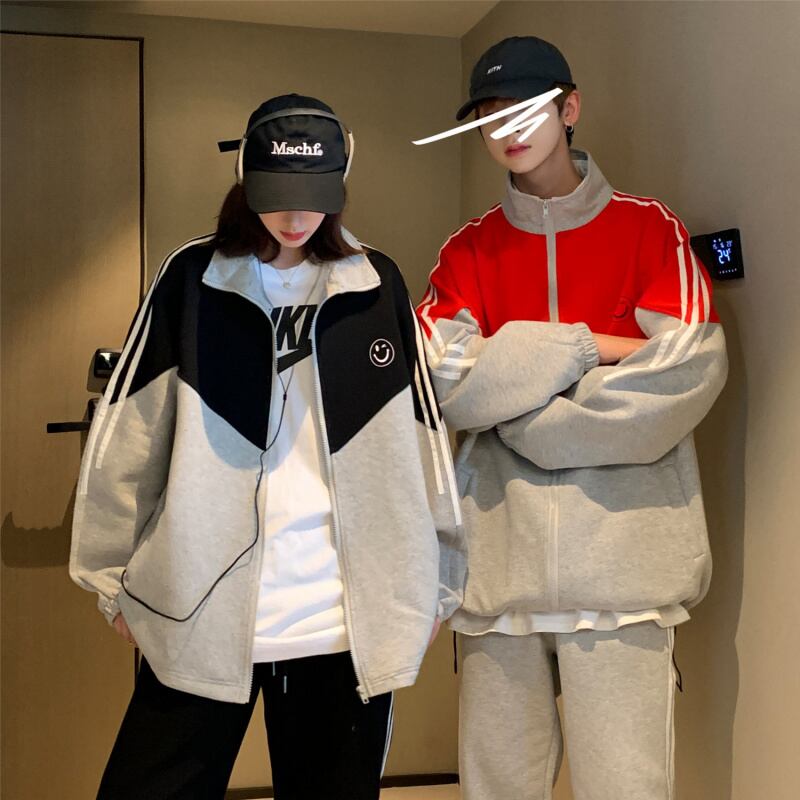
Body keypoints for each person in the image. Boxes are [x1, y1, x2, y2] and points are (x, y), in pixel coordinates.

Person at [70, 93, 464, 800]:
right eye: (276, 193)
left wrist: (434, 584)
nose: (294, 214)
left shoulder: (376, 283)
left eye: (314, 195)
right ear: (244, 179)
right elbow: (127, 435)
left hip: (342, 626)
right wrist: (110, 579)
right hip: (201, 610)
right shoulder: (191, 279)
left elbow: (423, 442)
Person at [417, 37, 728, 800]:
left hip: (625, 575)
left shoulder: (649, 231)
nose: (507, 130)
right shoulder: (468, 252)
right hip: (500, 573)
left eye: (524, 110)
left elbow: (689, 368)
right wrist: (590, 347)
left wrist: (521, 409)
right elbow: (439, 382)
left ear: (569, 108)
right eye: (489, 117)